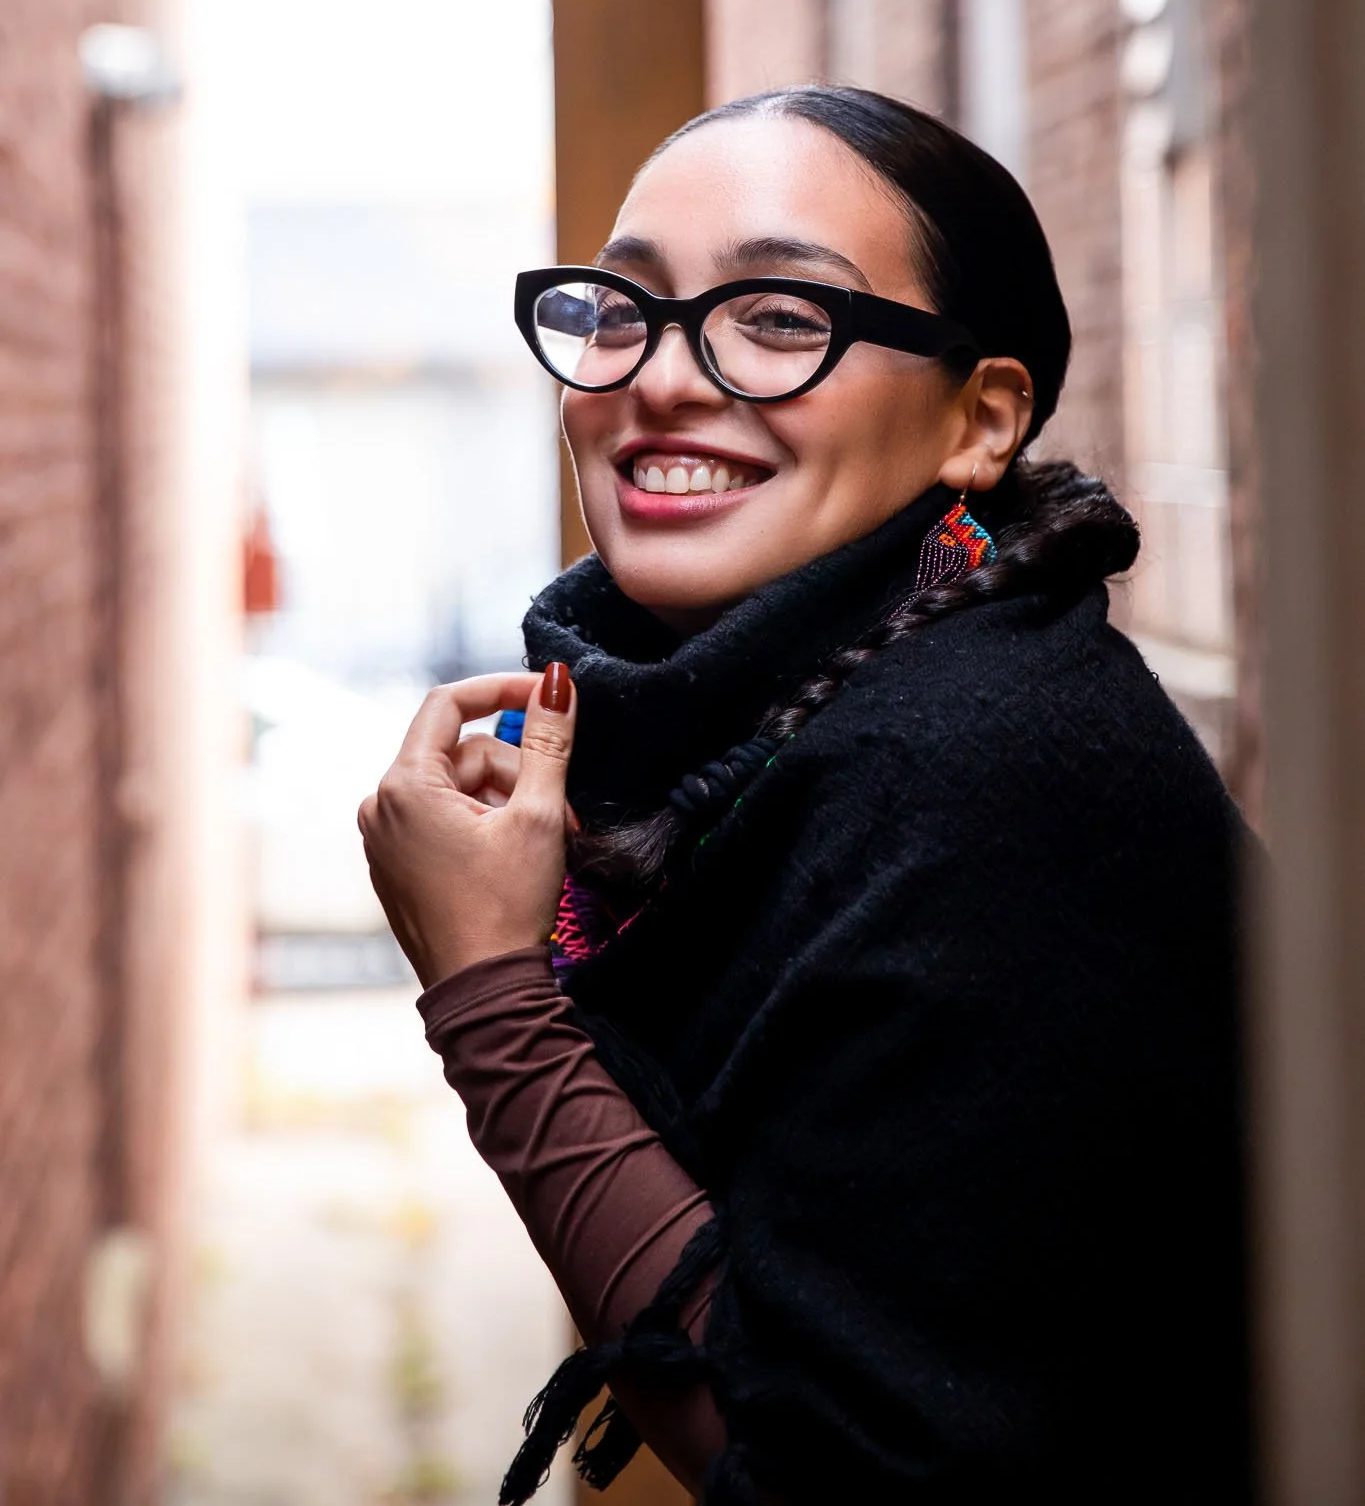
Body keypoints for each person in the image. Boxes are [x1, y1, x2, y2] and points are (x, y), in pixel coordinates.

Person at [359, 86, 1253, 1504]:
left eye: (780, 318)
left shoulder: (991, 781)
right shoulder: (770, 750)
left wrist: (493, 1001)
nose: (659, 378)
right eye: (622, 309)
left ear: (982, 420)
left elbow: (828, 1470)